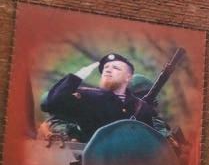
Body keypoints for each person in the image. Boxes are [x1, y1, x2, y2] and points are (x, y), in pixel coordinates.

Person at [39, 53, 170, 143]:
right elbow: (52, 103)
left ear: (128, 77)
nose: (108, 70)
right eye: (105, 68)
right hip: (94, 163)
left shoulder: (141, 107)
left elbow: (155, 139)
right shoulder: (89, 98)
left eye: (116, 68)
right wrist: (76, 77)